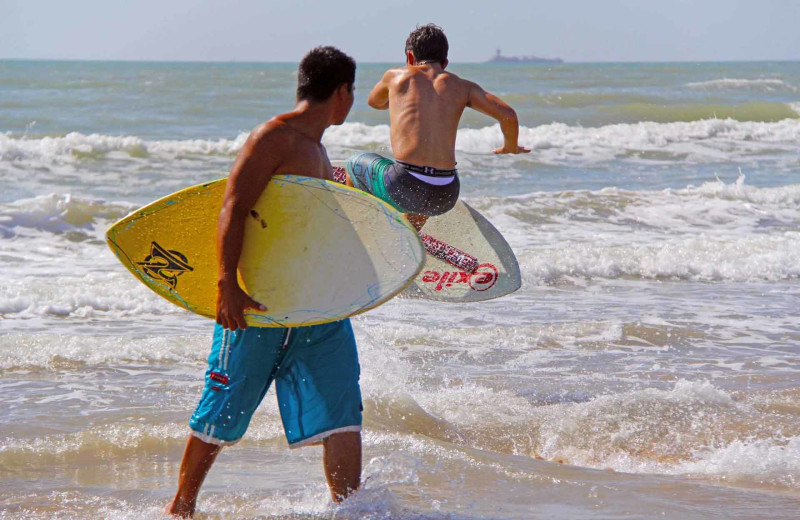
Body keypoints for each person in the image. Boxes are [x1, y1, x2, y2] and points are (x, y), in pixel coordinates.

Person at [166, 46, 361, 518]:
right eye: (352, 91)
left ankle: (353, 510)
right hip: (258, 299)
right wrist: (225, 284)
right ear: (341, 92)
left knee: (343, 410)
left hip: (314, 302)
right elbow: (232, 206)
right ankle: (181, 508)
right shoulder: (274, 136)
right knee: (224, 404)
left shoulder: (317, 146)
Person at [343, 24, 530, 231]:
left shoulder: (397, 76)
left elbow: (374, 102)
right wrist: (510, 147)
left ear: (410, 58)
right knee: (428, 183)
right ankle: (409, 234)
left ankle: (355, 230)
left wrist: (397, 97)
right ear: (445, 62)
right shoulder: (464, 87)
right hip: (445, 194)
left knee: (353, 164)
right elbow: (508, 115)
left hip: (403, 186)